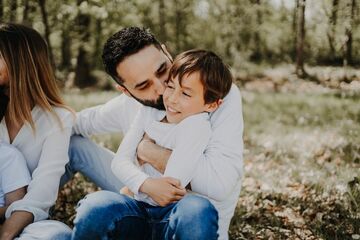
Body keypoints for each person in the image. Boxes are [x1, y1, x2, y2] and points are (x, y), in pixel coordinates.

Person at [69, 27, 243, 240]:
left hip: (187, 218)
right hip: (139, 205)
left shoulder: (215, 92)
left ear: (166, 52)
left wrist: (148, 150)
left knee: (195, 209)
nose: (164, 92)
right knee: (90, 190)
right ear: (126, 91)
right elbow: (80, 122)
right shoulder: (140, 108)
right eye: (143, 85)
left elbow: (219, 184)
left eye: (162, 71)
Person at [0, 23, 73, 240]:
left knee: (58, 235)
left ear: (19, 61)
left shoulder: (57, 119)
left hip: (24, 219)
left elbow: (43, 190)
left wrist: (6, 232)